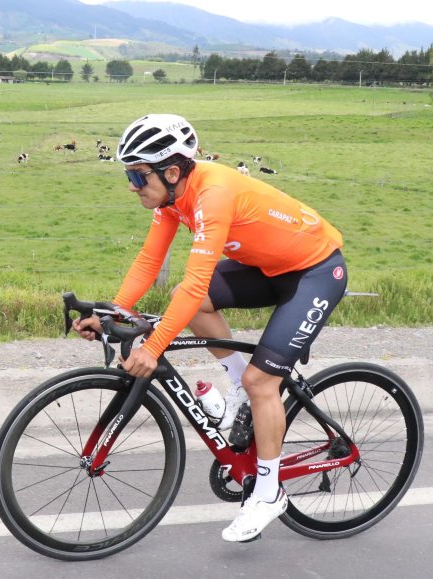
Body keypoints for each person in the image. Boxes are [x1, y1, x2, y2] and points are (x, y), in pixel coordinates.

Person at [73, 113, 347, 543]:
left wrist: (154, 345)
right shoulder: (171, 200)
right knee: (195, 304)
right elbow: (149, 262)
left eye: (137, 175)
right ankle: (239, 385)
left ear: (173, 170)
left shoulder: (212, 194)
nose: (131, 184)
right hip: (269, 267)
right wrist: (113, 314)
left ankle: (269, 491)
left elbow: (200, 277)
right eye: (128, 173)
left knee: (263, 381)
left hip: (314, 271)